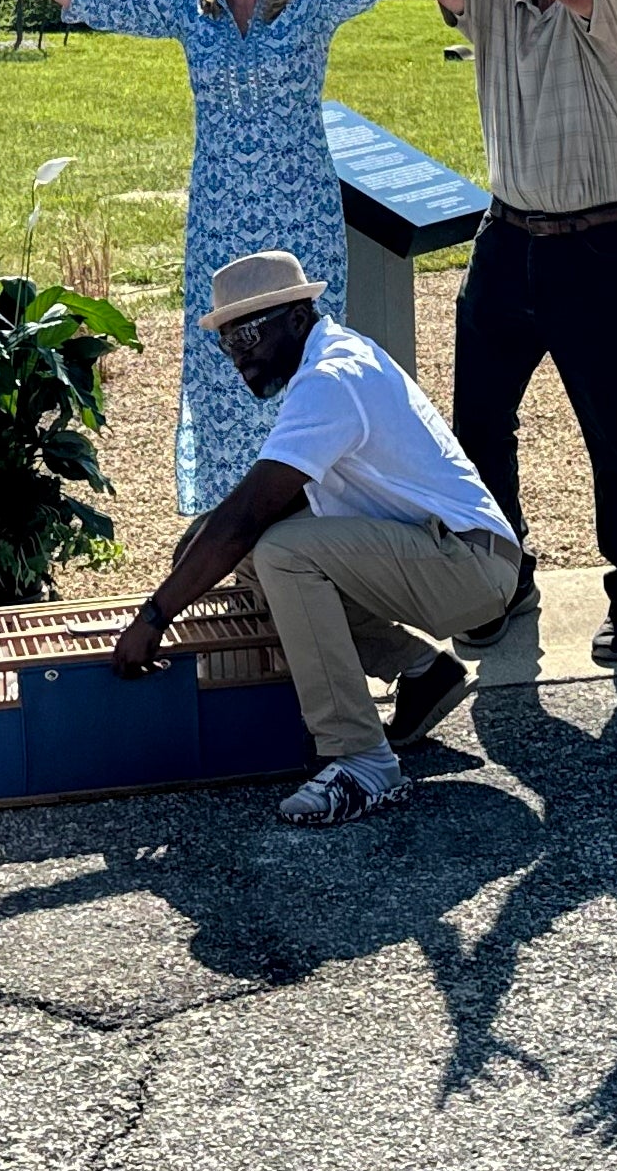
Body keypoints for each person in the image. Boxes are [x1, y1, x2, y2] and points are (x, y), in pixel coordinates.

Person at [0, 0, 403, 512]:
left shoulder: (308, 3)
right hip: (219, 221)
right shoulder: (191, 11)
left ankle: (317, 519)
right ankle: (239, 521)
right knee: (226, 364)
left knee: (306, 363)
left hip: (301, 221)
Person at [376, 0, 617, 667]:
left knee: (615, 435)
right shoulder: (497, 0)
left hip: (598, 250)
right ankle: (501, 584)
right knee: (478, 426)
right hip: (505, 241)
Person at [109, 251, 519, 827]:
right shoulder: (331, 361)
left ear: (298, 318)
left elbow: (250, 514)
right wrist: (206, 538)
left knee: (281, 552)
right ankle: (421, 670)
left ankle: (361, 760)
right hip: (444, 552)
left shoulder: (331, 379)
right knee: (258, 554)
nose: (239, 355)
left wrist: (155, 617)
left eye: (248, 333)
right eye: (228, 342)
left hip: (469, 564)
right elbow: (264, 506)